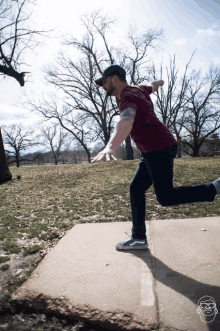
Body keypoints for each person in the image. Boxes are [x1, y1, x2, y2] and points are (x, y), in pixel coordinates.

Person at [91, 64, 219, 251]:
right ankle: (139, 237)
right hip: (156, 148)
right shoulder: (137, 89)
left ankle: (213, 188)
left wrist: (110, 147)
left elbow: (126, 121)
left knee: (166, 197)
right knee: (136, 188)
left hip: (159, 148)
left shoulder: (127, 96)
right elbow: (152, 85)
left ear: (114, 78)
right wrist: (159, 83)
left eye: (104, 81)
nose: (103, 86)